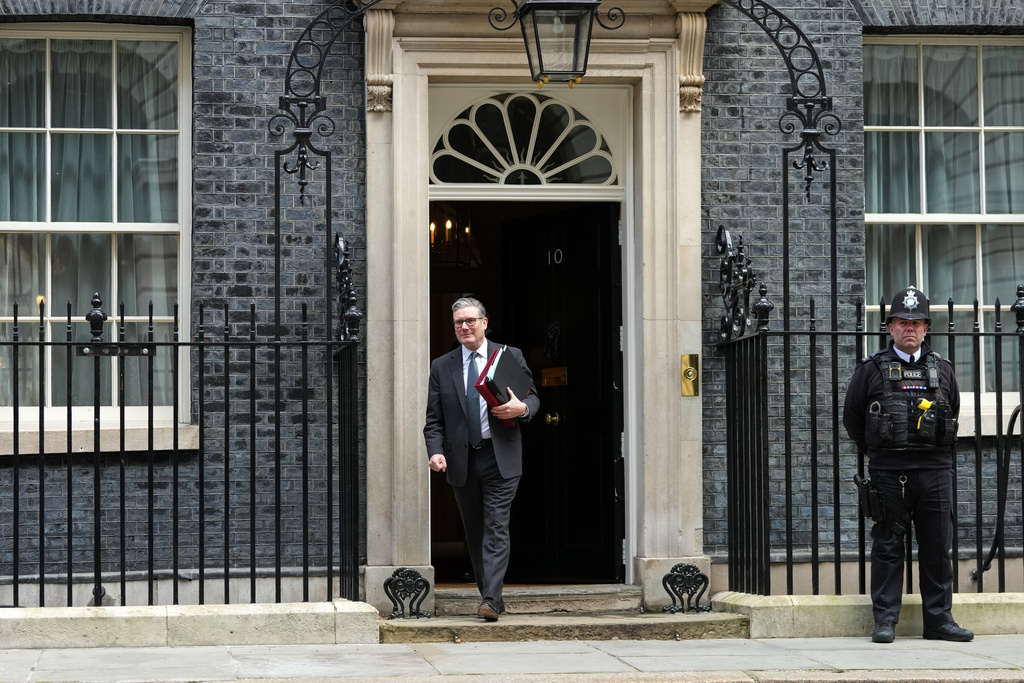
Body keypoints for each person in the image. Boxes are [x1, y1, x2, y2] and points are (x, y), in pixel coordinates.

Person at [843, 286, 972, 644]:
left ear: (926, 329)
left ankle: (939, 621)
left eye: (917, 323)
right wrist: (877, 456)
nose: (910, 328)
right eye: (903, 322)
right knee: (887, 547)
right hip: (888, 473)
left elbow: (953, 410)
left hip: (934, 472)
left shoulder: (942, 369)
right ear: (891, 328)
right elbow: (853, 418)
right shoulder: (870, 369)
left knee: (936, 548)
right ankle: (885, 621)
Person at [423, 297, 540, 621]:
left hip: (500, 456)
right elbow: (434, 420)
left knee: (496, 525)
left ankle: (490, 598)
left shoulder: (508, 356)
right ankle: (491, 596)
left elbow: (532, 398)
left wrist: (522, 409)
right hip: (463, 461)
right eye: (458, 322)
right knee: (475, 532)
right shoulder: (441, 366)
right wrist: (435, 451)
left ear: (484, 322)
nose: (464, 327)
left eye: (470, 321)